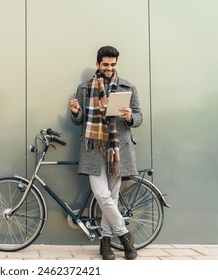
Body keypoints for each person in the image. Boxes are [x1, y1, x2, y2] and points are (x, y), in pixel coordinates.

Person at [68, 46, 142, 260]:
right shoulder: (84, 88)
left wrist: (129, 116)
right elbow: (80, 119)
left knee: (112, 197)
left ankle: (105, 243)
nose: (109, 68)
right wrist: (75, 112)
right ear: (98, 64)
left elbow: (138, 117)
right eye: (105, 64)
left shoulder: (128, 87)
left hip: (118, 150)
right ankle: (125, 236)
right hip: (93, 148)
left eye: (113, 64)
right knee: (102, 195)